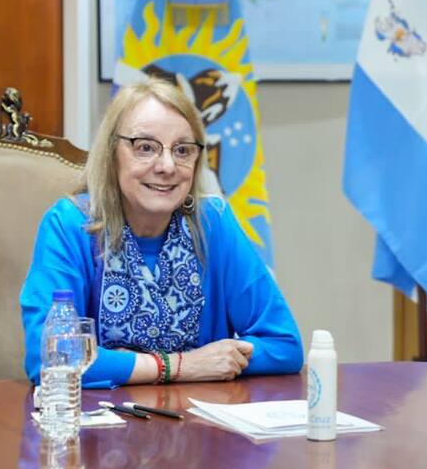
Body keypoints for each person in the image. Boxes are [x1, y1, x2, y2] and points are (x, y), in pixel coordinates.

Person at [20, 78, 303, 388]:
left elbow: (284, 344)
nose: (167, 165)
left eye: (182, 150)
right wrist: (179, 365)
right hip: (100, 429)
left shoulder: (213, 223)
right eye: (145, 147)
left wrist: (221, 359)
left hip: (200, 426)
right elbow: (51, 356)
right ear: (111, 154)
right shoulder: (70, 225)